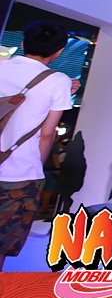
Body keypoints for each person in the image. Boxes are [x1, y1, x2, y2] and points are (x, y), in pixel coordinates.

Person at [0, 21, 72, 271]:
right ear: (59, 51)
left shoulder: (2, 67)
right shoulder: (58, 81)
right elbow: (47, 134)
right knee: (2, 242)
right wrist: (37, 165)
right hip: (20, 174)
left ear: (22, 43)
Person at [55, 130, 86, 215]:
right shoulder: (80, 157)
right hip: (72, 178)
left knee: (64, 194)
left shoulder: (70, 154)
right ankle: (65, 210)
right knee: (66, 195)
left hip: (67, 178)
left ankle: (64, 211)